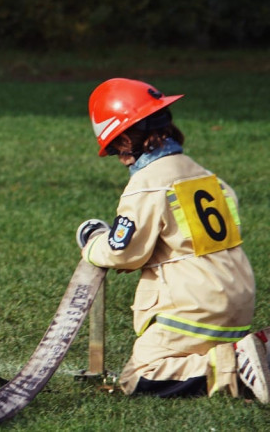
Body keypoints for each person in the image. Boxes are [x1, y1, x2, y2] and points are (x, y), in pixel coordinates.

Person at [76, 77, 270, 402]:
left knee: (138, 376)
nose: (118, 157)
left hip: (192, 310)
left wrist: (93, 242)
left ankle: (234, 364)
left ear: (126, 139)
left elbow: (124, 254)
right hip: (237, 300)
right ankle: (258, 349)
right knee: (184, 358)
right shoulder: (208, 177)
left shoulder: (147, 184)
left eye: (114, 148)